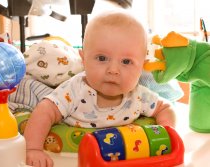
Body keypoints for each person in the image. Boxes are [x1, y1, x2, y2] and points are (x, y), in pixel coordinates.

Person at [24, 10, 176, 167]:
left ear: (142, 67)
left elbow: (165, 107)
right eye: (102, 58)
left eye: (126, 61)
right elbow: (45, 111)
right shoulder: (75, 90)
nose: (113, 70)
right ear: (84, 60)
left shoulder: (138, 95)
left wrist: (166, 133)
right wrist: (33, 149)